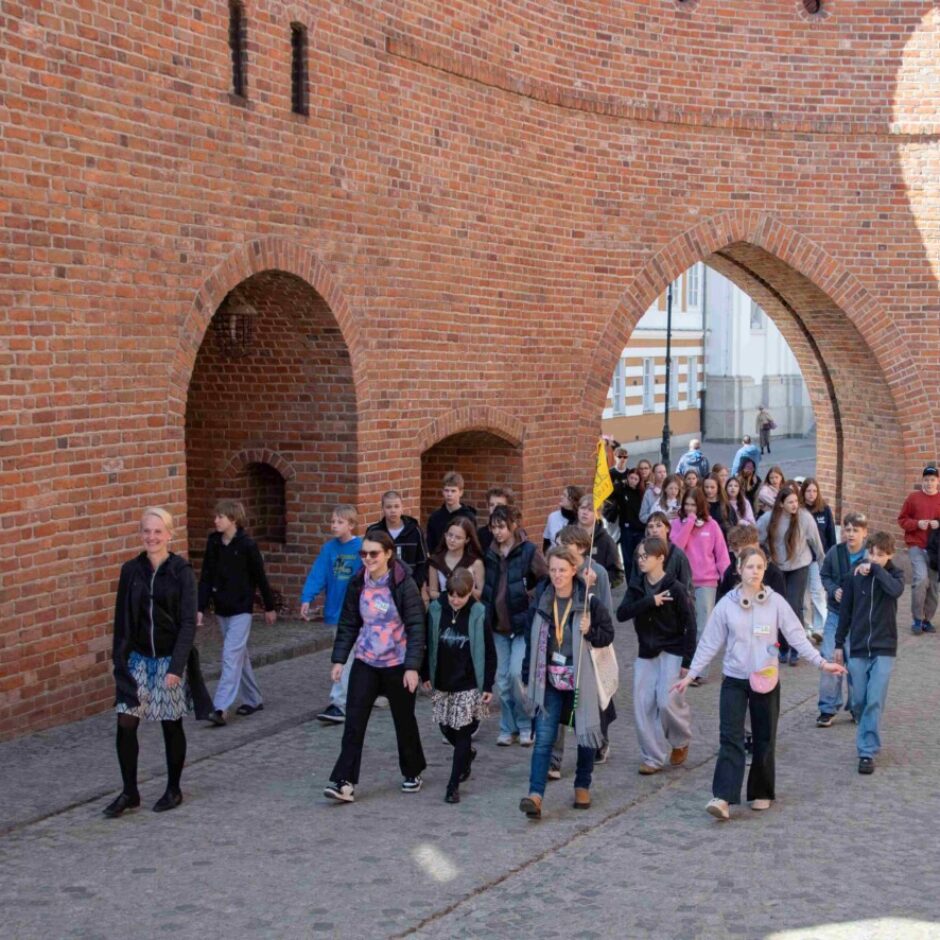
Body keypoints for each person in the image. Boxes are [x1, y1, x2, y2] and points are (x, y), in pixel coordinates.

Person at [673, 547, 845, 820]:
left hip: (766, 679)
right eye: (750, 566)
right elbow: (709, 642)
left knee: (764, 737)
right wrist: (691, 674)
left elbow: (797, 636)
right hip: (734, 679)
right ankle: (723, 797)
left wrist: (822, 663)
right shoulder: (727, 604)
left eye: (760, 567)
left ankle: (761, 792)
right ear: (738, 569)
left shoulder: (775, 602)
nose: (755, 571)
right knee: (730, 736)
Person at [104, 508, 212, 817]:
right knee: (126, 720)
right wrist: (118, 660)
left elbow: (188, 624)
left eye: (157, 531)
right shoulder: (131, 570)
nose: (152, 537)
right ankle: (129, 791)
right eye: (146, 531)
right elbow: (121, 619)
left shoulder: (181, 571)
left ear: (169, 534)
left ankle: (173, 788)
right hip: (137, 657)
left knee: (170, 723)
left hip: (168, 659)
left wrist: (177, 667)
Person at [323, 531, 427, 803]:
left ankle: (412, 770)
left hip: (398, 663)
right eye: (364, 554)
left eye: (373, 554)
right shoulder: (358, 582)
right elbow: (348, 622)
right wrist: (339, 659)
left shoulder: (404, 583)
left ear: (388, 554)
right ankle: (344, 781)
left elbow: (417, 626)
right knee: (354, 723)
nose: (367, 559)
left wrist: (413, 667)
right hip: (366, 660)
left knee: (404, 721)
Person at [518, 546, 615, 818]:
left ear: (574, 570)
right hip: (549, 679)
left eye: (563, 569)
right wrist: (527, 676)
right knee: (544, 737)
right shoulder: (541, 600)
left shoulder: (589, 602)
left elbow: (607, 635)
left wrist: (591, 630)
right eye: (553, 570)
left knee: (584, 733)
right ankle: (535, 795)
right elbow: (530, 639)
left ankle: (582, 784)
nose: (557, 575)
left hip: (580, 680)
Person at [617, 537, 695, 776]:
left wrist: (687, 662)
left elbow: (690, 625)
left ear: (660, 558)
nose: (641, 561)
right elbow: (622, 613)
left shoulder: (676, 588)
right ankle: (652, 757)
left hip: (672, 649)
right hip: (646, 651)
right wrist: (650, 601)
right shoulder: (637, 586)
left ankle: (680, 740)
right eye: (639, 557)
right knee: (641, 704)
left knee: (666, 700)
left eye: (645, 557)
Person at [197, 499, 276, 726]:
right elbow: (206, 576)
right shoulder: (213, 542)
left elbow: (260, 577)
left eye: (220, 517)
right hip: (221, 607)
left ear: (233, 519)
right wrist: (200, 607)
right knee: (239, 655)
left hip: (242, 608)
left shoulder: (247, 545)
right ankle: (253, 698)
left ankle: (220, 707)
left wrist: (268, 607)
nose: (215, 521)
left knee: (230, 655)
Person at [422, 569, 496, 803]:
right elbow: (427, 643)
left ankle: (453, 785)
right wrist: (426, 673)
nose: (455, 600)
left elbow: (489, 650)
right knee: (447, 728)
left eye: (461, 597)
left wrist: (487, 685)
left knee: (463, 731)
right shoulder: (435, 610)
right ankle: (467, 754)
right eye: (452, 595)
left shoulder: (478, 612)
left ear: (469, 594)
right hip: (443, 680)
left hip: (468, 682)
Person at [548, 525, 616, 777]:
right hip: (562, 648)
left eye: (567, 544)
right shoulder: (557, 571)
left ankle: (599, 740)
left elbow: (605, 614)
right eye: (559, 543)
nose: (562, 549)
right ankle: (554, 759)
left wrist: (590, 591)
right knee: (556, 704)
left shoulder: (597, 572)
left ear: (581, 548)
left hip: (589, 648)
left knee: (595, 703)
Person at [835, 532, 904, 774]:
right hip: (858, 647)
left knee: (875, 699)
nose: (874, 559)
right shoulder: (855, 576)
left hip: (885, 647)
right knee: (860, 699)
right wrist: (838, 643)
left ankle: (866, 751)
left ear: (890, 555)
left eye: (881, 556)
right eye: (871, 554)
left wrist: (875, 569)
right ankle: (862, 722)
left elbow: (895, 590)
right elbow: (845, 611)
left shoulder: (894, 574)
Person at [482, 504, 547, 746]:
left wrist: (530, 598)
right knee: (502, 681)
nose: (497, 532)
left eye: (501, 527)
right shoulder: (489, 553)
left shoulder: (528, 551)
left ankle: (525, 724)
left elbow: (544, 580)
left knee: (517, 675)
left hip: (521, 625)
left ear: (512, 526)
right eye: (494, 527)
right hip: (498, 625)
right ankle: (507, 727)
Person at [301, 504, 363, 725]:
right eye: (333, 521)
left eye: (339, 522)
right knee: (347, 656)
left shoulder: (361, 548)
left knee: (347, 657)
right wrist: (307, 598)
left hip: (358, 612)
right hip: (338, 611)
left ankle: (339, 703)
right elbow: (318, 574)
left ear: (351, 524)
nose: (334, 525)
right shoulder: (329, 549)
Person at [756, 489, 825, 666]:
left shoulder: (805, 518)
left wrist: (823, 566)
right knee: (778, 606)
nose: (795, 505)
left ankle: (796, 647)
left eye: (796, 501)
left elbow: (816, 543)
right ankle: (783, 646)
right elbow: (757, 539)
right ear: (781, 504)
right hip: (777, 567)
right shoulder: (768, 519)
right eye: (790, 502)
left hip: (799, 565)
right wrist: (763, 558)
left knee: (794, 605)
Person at [669, 488, 731, 682]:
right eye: (686, 504)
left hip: (706, 582)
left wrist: (727, 578)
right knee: (684, 625)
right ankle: (683, 666)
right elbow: (676, 548)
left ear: (701, 505)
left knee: (704, 627)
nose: (689, 508)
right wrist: (688, 524)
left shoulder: (712, 526)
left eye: (693, 505)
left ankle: (699, 671)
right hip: (683, 582)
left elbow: (721, 554)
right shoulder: (676, 524)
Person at [817, 511, 869, 727]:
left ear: (864, 533)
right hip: (836, 616)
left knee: (857, 664)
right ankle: (828, 708)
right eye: (847, 530)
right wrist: (833, 589)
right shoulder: (834, 553)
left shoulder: (870, 556)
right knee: (831, 658)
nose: (850, 534)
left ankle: (858, 707)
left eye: (855, 530)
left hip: (859, 619)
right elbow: (824, 575)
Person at [897, 465, 940, 634]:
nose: (929, 483)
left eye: (932, 480)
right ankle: (917, 619)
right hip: (916, 545)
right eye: (926, 480)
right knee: (921, 579)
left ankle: (927, 620)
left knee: (933, 586)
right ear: (922, 481)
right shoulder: (913, 498)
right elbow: (902, 520)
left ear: (938, 481)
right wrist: (916, 524)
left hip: (935, 551)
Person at [367, 491, 429, 590]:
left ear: (402, 508)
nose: (393, 510)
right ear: (382, 508)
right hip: (380, 588)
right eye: (389, 507)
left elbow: (423, 561)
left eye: (396, 506)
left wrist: (415, 584)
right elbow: (368, 560)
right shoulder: (374, 531)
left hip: (409, 588)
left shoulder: (415, 530)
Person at [800, 478, 836, 644]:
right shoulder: (799, 510)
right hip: (801, 559)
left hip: (819, 559)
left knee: (818, 592)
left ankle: (821, 629)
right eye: (808, 491)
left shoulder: (825, 510)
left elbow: (831, 536)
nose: (811, 494)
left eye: (814, 491)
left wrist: (831, 558)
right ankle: (806, 629)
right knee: (804, 595)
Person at [629, 512, 694, 595]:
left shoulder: (678, 554)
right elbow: (634, 582)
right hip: (647, 602)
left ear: (667, 528)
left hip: (672, 602)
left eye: (659, 525)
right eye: (651, 526)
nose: (654, 530)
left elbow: (687, 587)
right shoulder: (640, 551)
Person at [427, 517, 485, 601]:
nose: (452, 540)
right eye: (450, 535)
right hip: (443, 608)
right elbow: (432, 592)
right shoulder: (436, 560)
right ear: (445, 535)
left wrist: (466, 591)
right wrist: (450, 598)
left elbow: (482, 593)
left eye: (458, 538)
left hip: (468, 609)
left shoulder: (476, 562)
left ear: (467, 540)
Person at [577, 493, 624, 588]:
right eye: (582, 508)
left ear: (597, 514)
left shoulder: (606, 541)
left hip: (595, 595)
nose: (585, 512)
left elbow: (618, 575)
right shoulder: (567, 536)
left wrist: (598, 580)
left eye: (590, 510)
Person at [426, 472, 477, 558]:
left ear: (460, 492)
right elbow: (431, 545)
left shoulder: (469, 517)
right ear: (442, 492)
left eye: (453, 491)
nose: (449, 494)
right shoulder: (435, 517)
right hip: (439, 562)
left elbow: (473, 545)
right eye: (446, 490)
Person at [610, 464, 645, 571]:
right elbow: (610, 494)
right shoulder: (622, 490)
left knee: (640, 559)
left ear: (639, 480)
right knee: (628, 560)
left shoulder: (642, 492)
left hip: (640, 530)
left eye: (636, 479)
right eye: (631, 478)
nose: (633, 480)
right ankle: (630, 584)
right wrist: (619, 485)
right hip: (627, 530)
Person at [543, 485, 583, 551]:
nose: (561, 497)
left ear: (573, 500)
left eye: (564, 495)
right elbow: (546, 542)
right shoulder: (552, 517)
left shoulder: (581, 520)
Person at [477, 487, 515, 554]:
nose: (495, 508)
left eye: (499, 505)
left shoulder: (515, 532)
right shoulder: (481, 534)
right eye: (492, 505)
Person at [703, 472, 736, 539]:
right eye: (706, 487)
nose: (709, 490)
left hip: (721, 541)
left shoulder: (725, 505)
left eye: (712, 487)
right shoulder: (700, 503)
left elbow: (733, 524)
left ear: (718, 487)